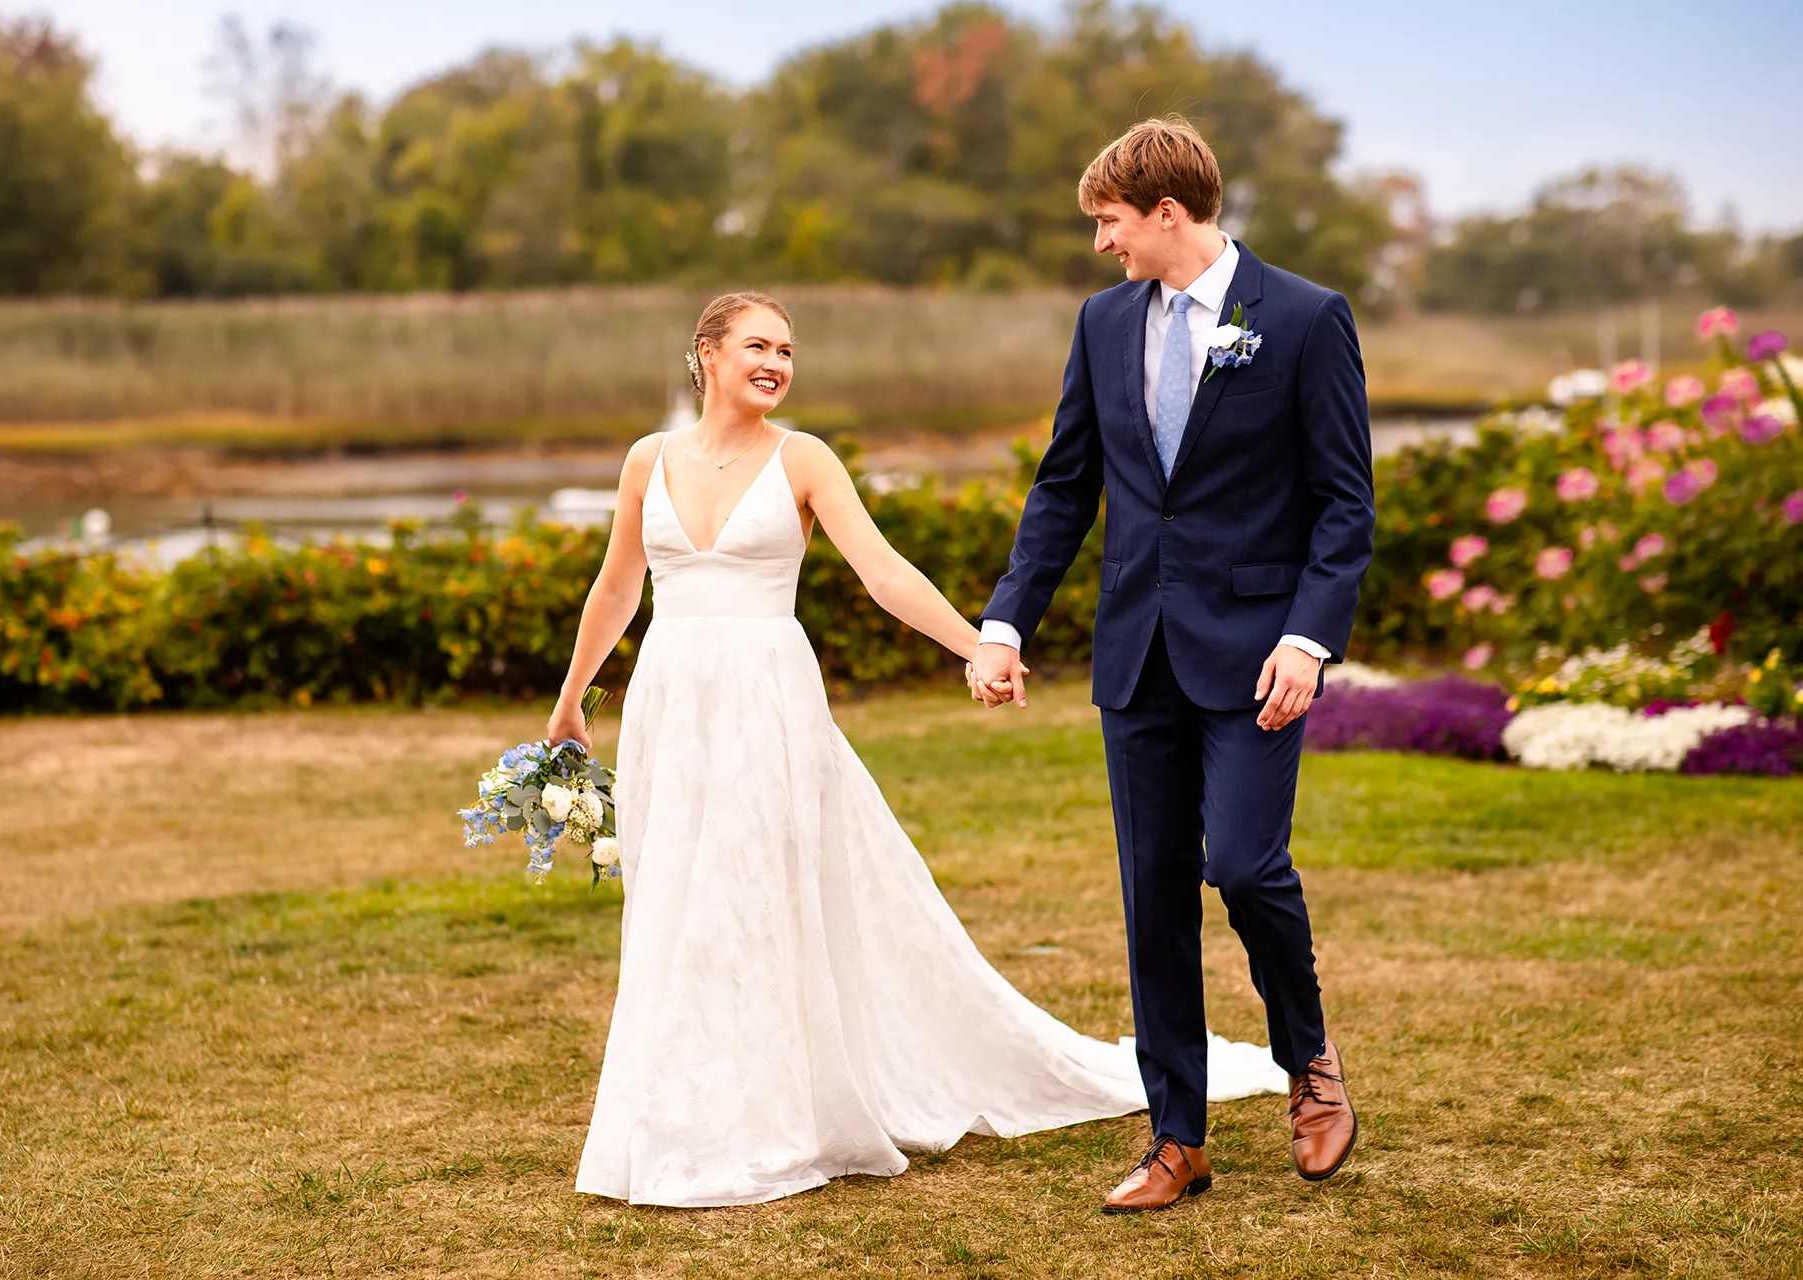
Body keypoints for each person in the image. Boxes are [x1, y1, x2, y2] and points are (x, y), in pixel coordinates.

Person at [547, 290, 1284, 1208]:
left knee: (754, 888)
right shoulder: (646, 460)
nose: (776, 362)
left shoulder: (803, 459)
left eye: (788, 348)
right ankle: (675, 1106)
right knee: (675, 897)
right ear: (705, 353)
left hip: (768, 698)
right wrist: (573, 697)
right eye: (757, 345)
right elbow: (618, 584)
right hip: (671, 700)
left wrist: (978, 643)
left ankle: (769, 1111)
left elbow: (882, 571)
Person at [967, 116, 1376, 1212]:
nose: (1101, 244)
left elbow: (1344, 503)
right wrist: (1007, 621)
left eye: (1109, 221)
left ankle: (1311, 1061)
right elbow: (1064, 488)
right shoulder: (1102, 325)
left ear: (1166, 212)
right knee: (1153, 898)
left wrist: (1307, 635)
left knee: (1243, 865)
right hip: (1133, 654)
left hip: (1258, 658)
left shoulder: (1302, 317)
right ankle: (1177, 1137)